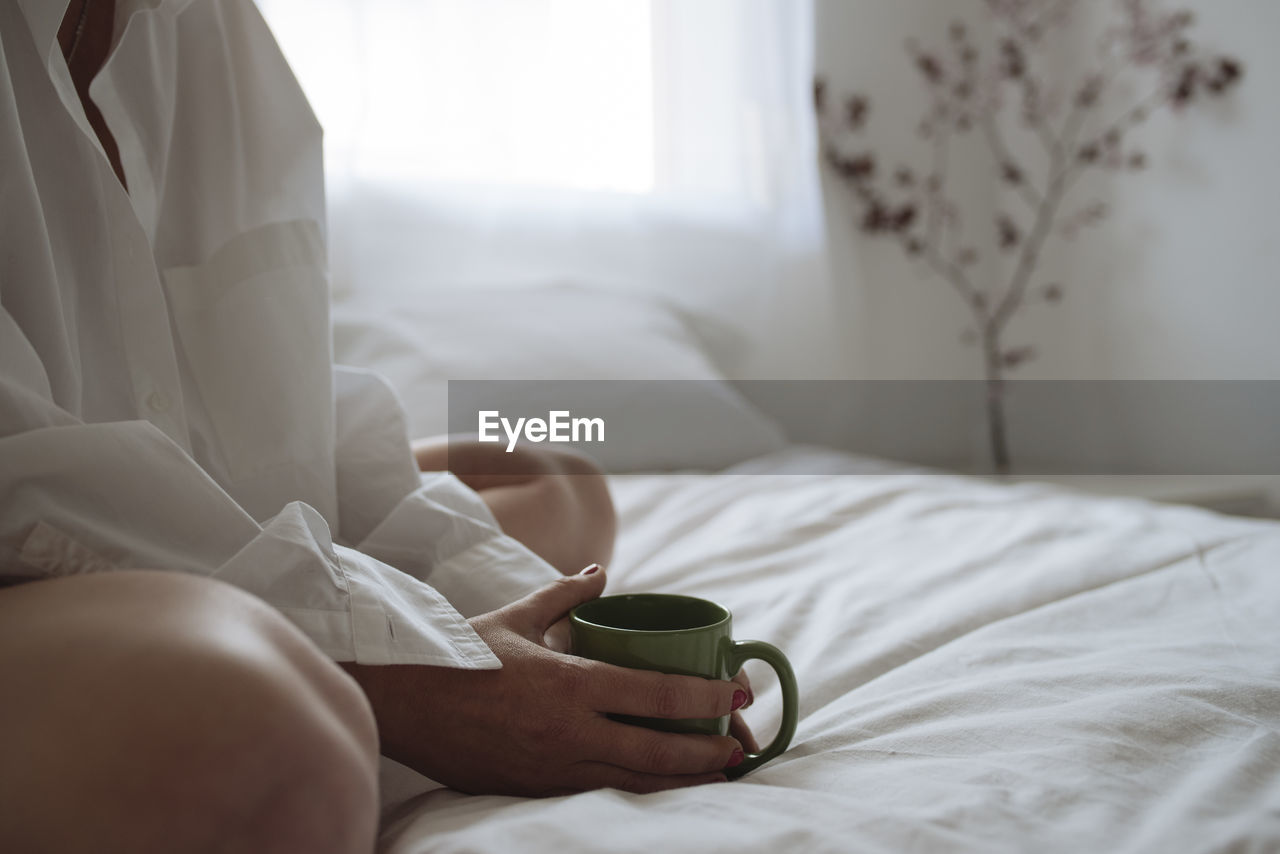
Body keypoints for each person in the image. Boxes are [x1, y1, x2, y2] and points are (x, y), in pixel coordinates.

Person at [0, 1, 754, 851]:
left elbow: (282, 415)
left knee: (556, 486)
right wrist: (423, 677)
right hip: (30, 578)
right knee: (268, 740)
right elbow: (27, 491)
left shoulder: (208, 29)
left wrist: (528, 634)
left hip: (184, 532)